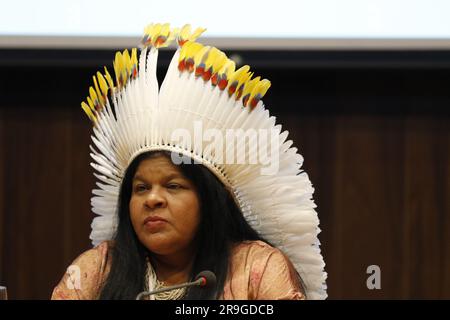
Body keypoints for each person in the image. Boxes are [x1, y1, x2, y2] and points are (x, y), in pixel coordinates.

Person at [51, 23, 327, 300]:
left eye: (173, 186)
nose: (153, 200)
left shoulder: (257, 268)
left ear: (209, 199)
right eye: (141, 188)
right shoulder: (97, 269)